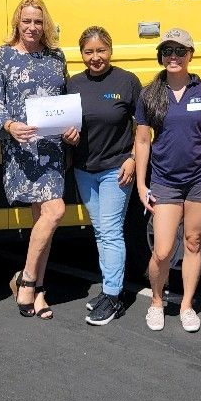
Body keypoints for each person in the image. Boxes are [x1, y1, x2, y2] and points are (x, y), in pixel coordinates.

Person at [0, 0, 79, 319]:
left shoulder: (56, 56)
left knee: (48, 217)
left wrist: (72, 131)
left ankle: (31, 285)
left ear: (46, 24)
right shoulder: (2, 57)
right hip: (22, 149)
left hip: (53, 150)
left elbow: (65, 101)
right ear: (17, 22)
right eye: (26, 21)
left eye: (38, 21)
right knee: (50, 214)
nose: (32, 27)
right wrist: (10, 125)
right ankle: (30, 283)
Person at [134, 28, 201, 333]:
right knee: (162, 250)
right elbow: (143, 141)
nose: (173, 57)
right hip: (165, 180)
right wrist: (142, 185)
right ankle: (157, 301)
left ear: (190, 55)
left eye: (179, 51)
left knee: (194, 241)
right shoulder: (149, 94)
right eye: (167, 51)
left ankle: (186, 305)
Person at [67, 26, 141, 326]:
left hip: (116, 169)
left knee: (111, 232)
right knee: (100, 231)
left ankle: (112, 296)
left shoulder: (127, 81)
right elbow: (66, 125)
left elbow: (146, 126)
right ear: (81, 54)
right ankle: (110, 287)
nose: (95, 57)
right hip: (85, 170)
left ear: (110, 50)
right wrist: (67, 137)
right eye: (89, 52)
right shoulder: (74, 84)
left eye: (101, 51)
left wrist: (134, 159)